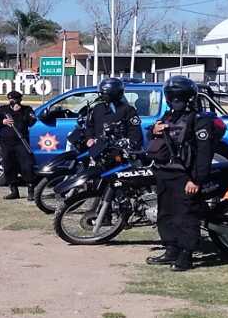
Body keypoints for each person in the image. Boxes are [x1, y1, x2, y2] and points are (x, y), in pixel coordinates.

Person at [145, 76, 214, 271]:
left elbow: (203, 153)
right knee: (166, 214)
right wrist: (154, 131)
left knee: (186, 216)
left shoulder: (199, 120)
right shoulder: (168, 116)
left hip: (185, 176)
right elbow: (155, 139)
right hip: (164, 173)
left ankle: (186, 255)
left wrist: (196, 180)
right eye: (170, 97)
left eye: (176, 97)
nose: (173, 101)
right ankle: (171, 249)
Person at [0, 90, 37, 200]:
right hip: (6, 143)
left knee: (27, 166)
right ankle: (14, 191)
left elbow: (32, 121)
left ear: (20, 100)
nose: (13, 101)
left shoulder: (27, 110)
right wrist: (2, 122)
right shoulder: (1, 110)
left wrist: (19, 113)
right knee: (9, 166)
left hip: (21, 142)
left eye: (15, 99)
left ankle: (31, 191)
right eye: (10, 99)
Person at [85, 77, 144, 155]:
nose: (101, 96)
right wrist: (89, 138)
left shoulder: (127, 110)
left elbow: (135, 132)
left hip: (118, 151)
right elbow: (90, 126)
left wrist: (130, 146)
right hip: (98, 150)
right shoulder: (97, 108)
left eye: (104, 94)